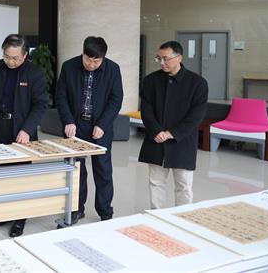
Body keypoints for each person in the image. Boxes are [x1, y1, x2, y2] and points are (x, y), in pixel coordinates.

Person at [0, 34, 47, 237]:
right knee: (4, 172)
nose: (10, 62)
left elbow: (40, 105)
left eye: (15, 58)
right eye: (7, 56)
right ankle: (5, 212)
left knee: (21, 176)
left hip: (22, 130)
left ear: (25, 55)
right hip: (2, 125)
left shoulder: (34, 73)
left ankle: (20, 218)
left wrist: (27, 129)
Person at [55, 36, 123, 223]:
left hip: (100, 128)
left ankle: (105, 211)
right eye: (88, 59)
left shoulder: (113, 69)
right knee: (76, 169)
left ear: (103, 58)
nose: (91, 64)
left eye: (96, 61)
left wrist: (103, 124)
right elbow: (61, 97)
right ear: (82, 53)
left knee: (103, 170)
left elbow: (116, 100)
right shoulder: (69, 67)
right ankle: (76, 208)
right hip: (75, 126)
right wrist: (68, 121)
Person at [138, 41, 208, 209]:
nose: (162, 63)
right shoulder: (150, 81)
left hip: (182, 141)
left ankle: (182, 217)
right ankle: (157, 215)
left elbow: (196, 116)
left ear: (179, 58)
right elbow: (146, 110)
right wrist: (156, 131)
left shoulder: (197, 83)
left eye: (166, 59)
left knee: (183, 185)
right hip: (156, 139)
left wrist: (172, 133)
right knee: (156, 182)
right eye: (159, 58)